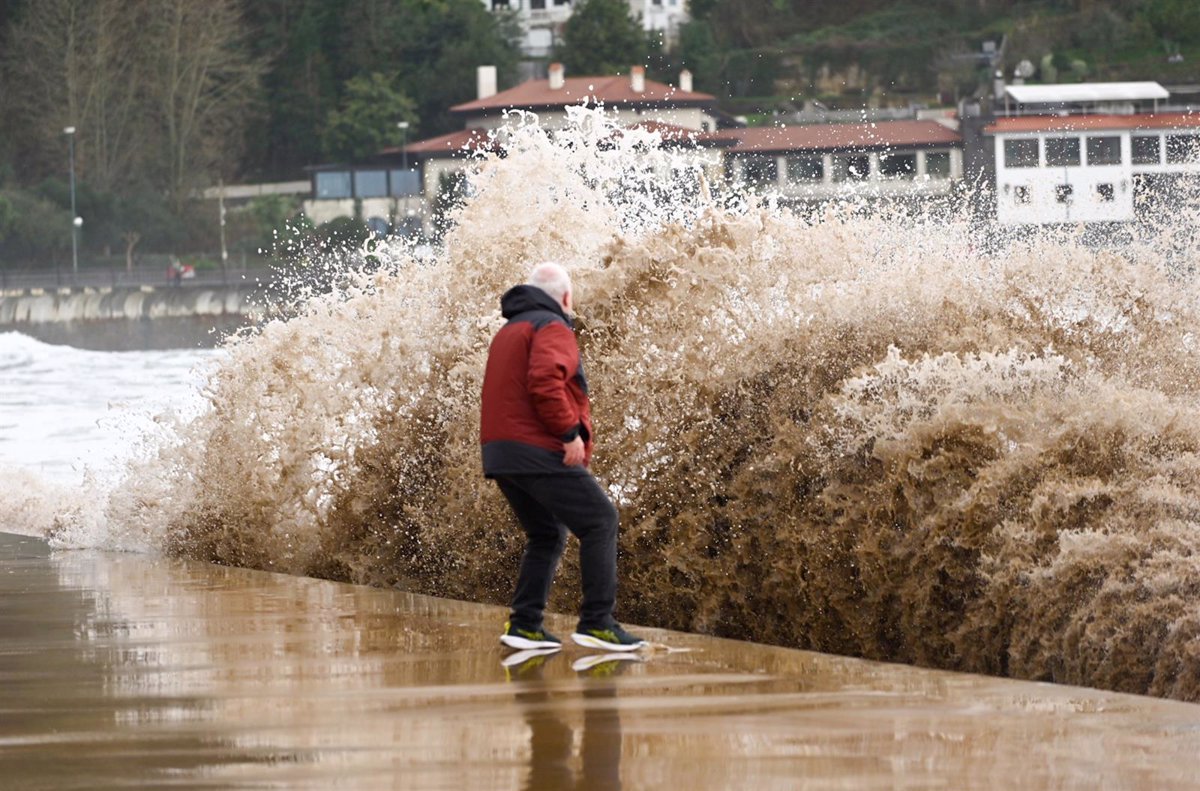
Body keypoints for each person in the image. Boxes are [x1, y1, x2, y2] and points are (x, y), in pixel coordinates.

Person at [481, 262, 646, 654]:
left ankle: (524, 625)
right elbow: (545, 382)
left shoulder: (509, 330)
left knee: (547, 533)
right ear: (567, 298)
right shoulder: (551, 326)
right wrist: (569, 433)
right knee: (601, 520)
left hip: (501, 452)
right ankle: (597, 622)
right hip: (536, 450)